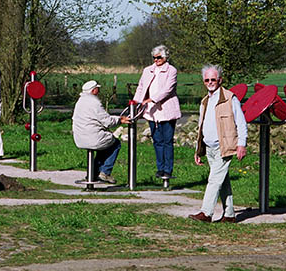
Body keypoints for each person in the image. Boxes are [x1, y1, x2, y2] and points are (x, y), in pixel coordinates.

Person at [189, 64, 247, 223]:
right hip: (209, 148)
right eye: (207, 80)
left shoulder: (230, 98)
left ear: (220, 80)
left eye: (213, 79)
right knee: (223, 181)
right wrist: (198, 150)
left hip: (225, 147)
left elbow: (241, 123)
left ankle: (206, 212)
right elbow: (201, 126)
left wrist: (242, 144)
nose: (210, 82)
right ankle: (229, 215)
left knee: (214, 180)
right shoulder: (204, 101)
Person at [133, 45, 181, 178]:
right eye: (154, 58)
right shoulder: (147, 70)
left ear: (165, 57)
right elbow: (141, 87)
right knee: (157, 141)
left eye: (159, 57)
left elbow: (168, 89)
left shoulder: (171, 70)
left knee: (167, 141)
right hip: (151, 112)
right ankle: (160, 168)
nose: (156, 60)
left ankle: (168, 169)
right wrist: (136, 102)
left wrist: (152, 99)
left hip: (167, 110)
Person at [72, 80, 130, 184]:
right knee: (115, 144)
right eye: (98, 89)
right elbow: (107, 121)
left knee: (104, 145)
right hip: (92, 137)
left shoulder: (80, 101)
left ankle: (92, 174)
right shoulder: (95, 102)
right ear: (94, 90)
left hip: (79, 137)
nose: (99, 91)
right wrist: (120, 119)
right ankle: (105, 172)